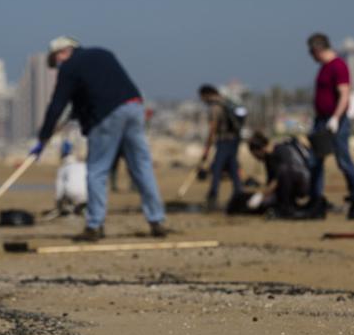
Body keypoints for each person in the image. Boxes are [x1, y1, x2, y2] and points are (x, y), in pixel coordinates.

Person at [31, 36, 166, 241]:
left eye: (56, 60)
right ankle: (157, 220)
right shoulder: (103, 53)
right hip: (134, 107)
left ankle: (94, 225)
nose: (58, 65)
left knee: (97, 171)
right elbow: (97, 87)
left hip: (106, 116)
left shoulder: (69, 67)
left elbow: (57, 104)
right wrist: (78, 112)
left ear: (63, 52)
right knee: (142, 166)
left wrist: (43, 138)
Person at [306, 33, 354, 219]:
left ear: (318, 49)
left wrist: (336, 118)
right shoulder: (323, 67)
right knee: (314, 161)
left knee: (343, 161)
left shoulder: (338, 66)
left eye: (311, 52)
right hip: (320, 120)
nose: (311, 56)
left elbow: (344, 94)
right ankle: (315, 200)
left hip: (336, 121)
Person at [246, 131, 320, 218]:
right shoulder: (275, 152)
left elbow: (276, 181)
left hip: (301, 184)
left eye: (254, 154)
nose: (255, 158)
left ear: (259, 150)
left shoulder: (277, 153)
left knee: (283, 172)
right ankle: (288, 204)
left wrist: (261, 196)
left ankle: (287, 208)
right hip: (300, 182)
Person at [197, 84, 245, 211]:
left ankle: (213, 196)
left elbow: (212, 128)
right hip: (234, 139)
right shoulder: (225, 102)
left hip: (224, 141)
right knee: (233, 167)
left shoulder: (215, 107)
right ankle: (239, 194)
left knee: (217, 168)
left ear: (206, 95)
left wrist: (207, 148)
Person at [56, 140, 88, 214]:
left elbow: (59, 189)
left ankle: (70, 207)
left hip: (72, 194)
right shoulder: (83, 165)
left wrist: (58, 204)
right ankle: (83, 207)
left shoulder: (63, 168)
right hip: (88, 194)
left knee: (66, 187)